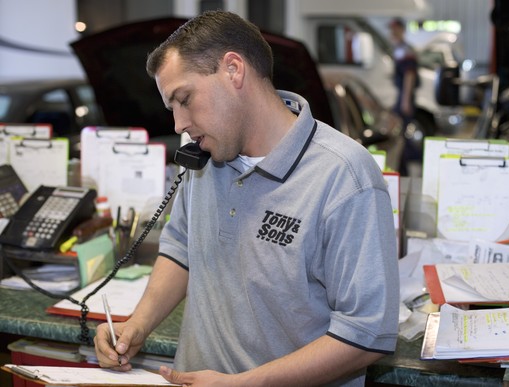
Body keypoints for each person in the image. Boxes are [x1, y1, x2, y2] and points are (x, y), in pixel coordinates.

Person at [93, 10, 400, 386]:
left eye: (184, 99)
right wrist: (137, 326)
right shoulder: (206, 156)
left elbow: (368, 333)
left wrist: (244, 384)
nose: (178, 124)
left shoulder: (344, 176)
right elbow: (180, 249)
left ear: (233, 70)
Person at [388, 17, 420, 176]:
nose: (392, 32)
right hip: (401, 95)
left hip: (404, 96)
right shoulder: (399, 48)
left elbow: (409, 75)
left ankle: (410, 163)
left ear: (401, 29)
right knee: (401, 132)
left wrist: (405, 100)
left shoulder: (405, 50)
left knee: (401, 132)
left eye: (395, 29)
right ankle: (405, 165)